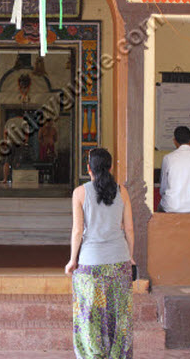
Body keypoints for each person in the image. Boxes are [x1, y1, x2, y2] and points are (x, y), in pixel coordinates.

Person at [65, 148, 134, 359]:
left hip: (89, 264)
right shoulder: (122, 191)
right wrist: (130, 255)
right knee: (119, 316)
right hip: (119, 260)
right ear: (111, 167)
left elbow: (78, 231)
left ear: (89, 168)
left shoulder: (80, 192)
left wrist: (72, 259)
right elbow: (129, 228)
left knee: (90, 317)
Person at [159, 126, 190, 213]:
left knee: (161, 205)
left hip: (173, 207)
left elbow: (163, 188)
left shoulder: (168, 158)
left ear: (174, 141)